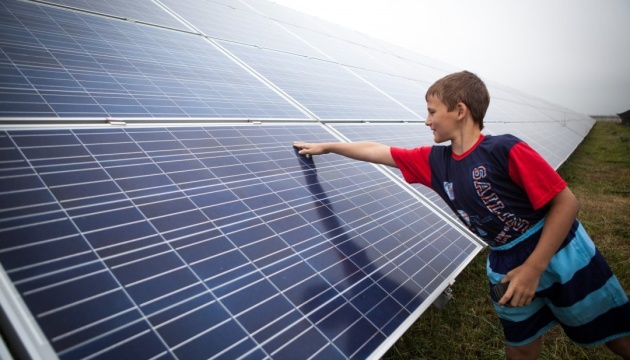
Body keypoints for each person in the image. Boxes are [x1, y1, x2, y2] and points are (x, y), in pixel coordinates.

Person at [293, 71, 630, 359]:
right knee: (520, 344)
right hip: (504, 261)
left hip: (559, 253)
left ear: (459, 110)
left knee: (614, 333)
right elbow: (377, 150)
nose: (426, 120)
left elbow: (566, 204)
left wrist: (534, 267)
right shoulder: (435, 163)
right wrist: (328, 146)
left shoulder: (505, 149)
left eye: (431, 111)